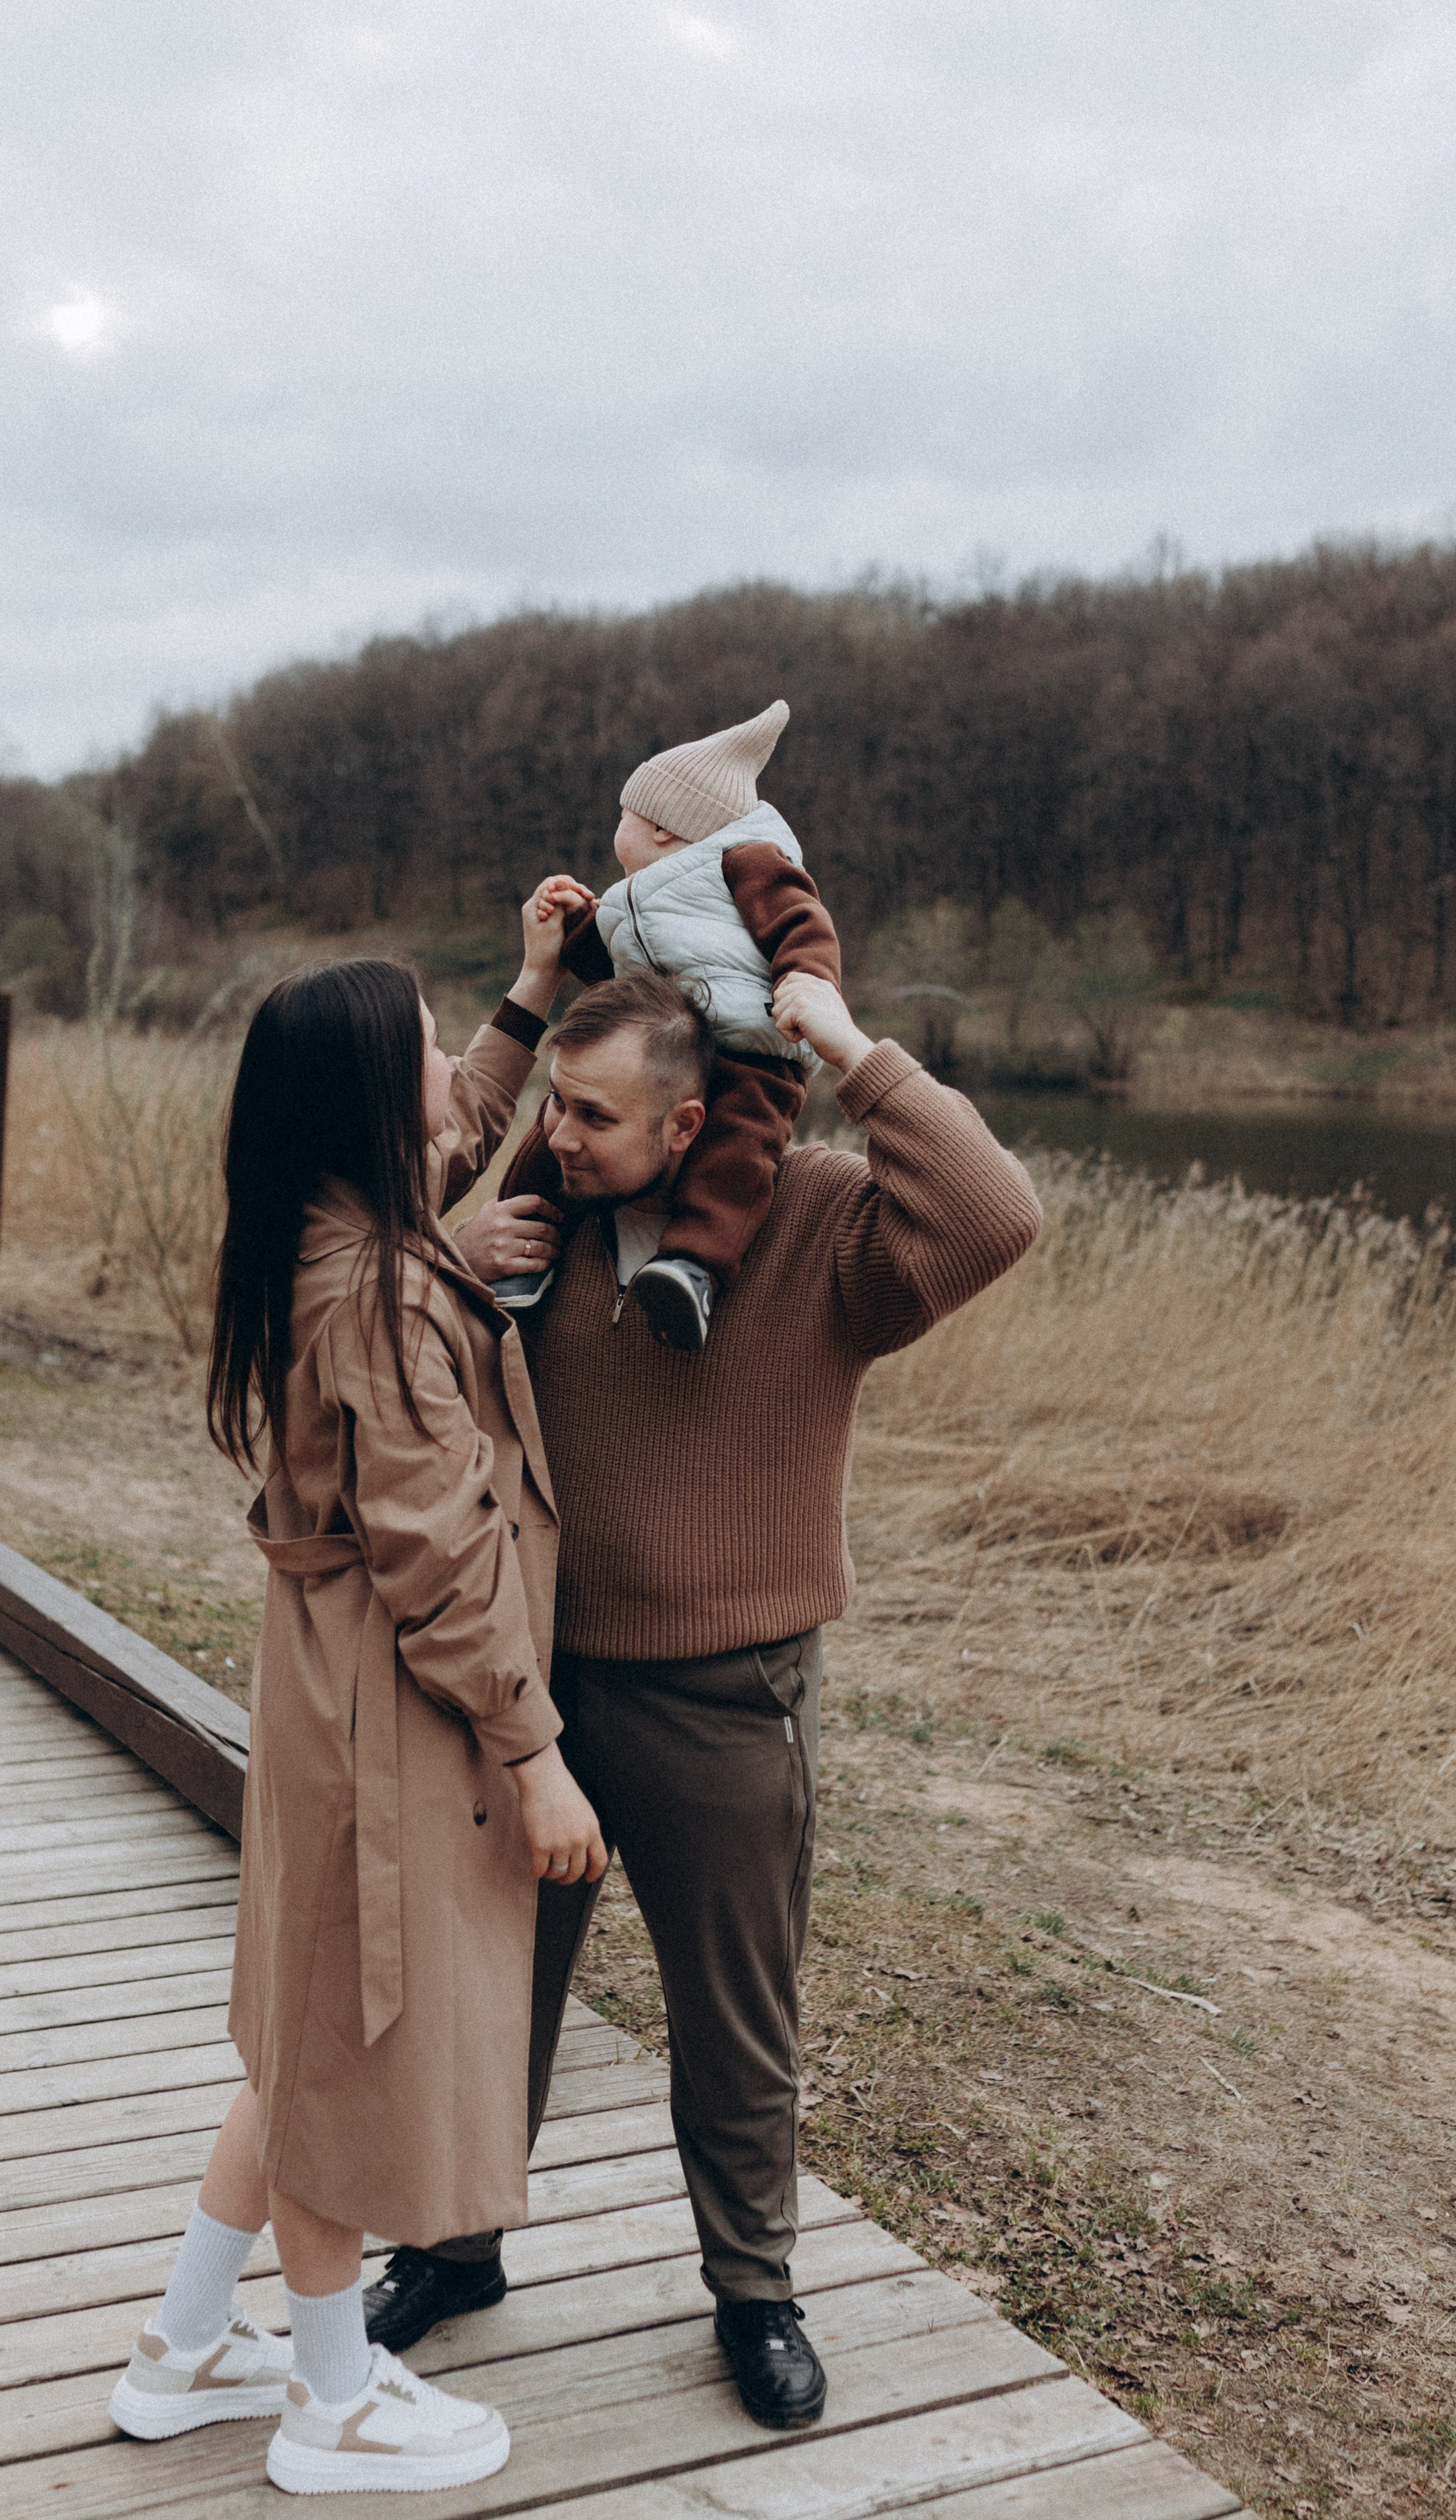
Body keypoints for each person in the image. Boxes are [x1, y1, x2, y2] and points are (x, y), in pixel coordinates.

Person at [367, 965, 1043, 2431]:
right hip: (537, 1694)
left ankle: (753, 2291)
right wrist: (448, 1265)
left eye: (593, 1116)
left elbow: (995, 1215)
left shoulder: (818, 1223)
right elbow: (373, 1312)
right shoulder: (532, 1225)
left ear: (687, 1123)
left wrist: (848, 1047)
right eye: (555, 1103)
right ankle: (453, 2246)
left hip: (729, 1697)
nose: (556, 1134)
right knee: (491, 1992)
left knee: (735, 2020)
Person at [107, 921, 606, 2497]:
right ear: (367, 1102)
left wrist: (531, 992)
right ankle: (331, 2403)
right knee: (333, 2053)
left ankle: (187, 2344)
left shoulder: (324, 1227)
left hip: (323, 1678)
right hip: (381, 1707)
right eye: (425, 1046)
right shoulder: (380, 1294)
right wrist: (533, 1756)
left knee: (297, 2028)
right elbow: (439, 1555)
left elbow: (460, 1122)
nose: (449, 1066)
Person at [492, 699, 841, 1350]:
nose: (615, 831)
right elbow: (614, 972)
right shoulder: (638, 897)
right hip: (663, 1042)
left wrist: (808, 981)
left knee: (737, 1155)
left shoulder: (746, 861)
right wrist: (572, 929)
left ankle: (692, 1270)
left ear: (660, 827)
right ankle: (521, 1252)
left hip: (753, 1050)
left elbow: (803, 923)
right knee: (552, 1140)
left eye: (622, 817)